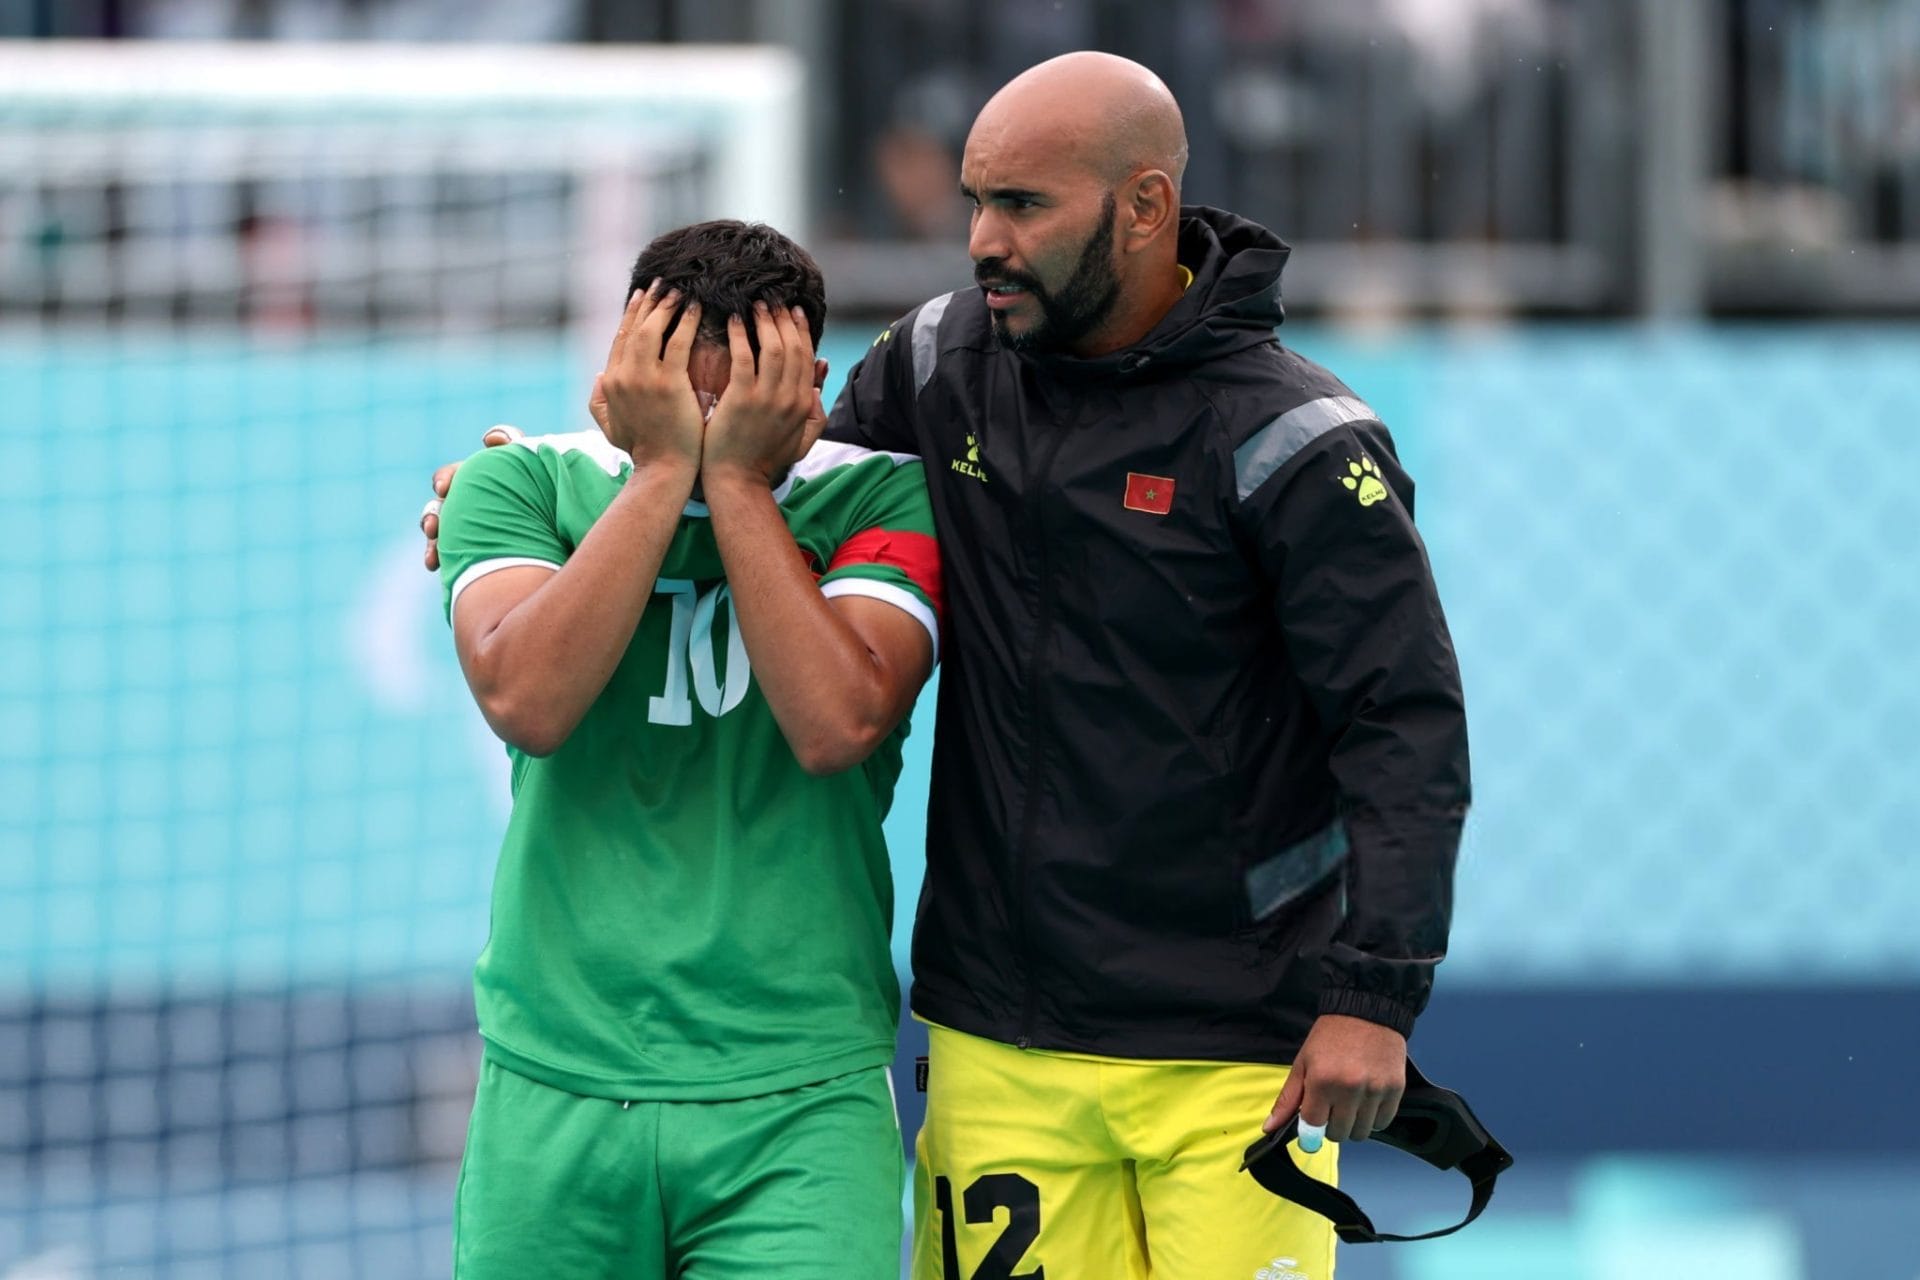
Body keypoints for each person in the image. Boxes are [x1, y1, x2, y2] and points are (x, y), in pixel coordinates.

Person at [425, 53, 1468, 1280]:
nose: (981, 240)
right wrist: (543, 489)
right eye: (974, 199)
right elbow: (767, 466)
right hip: (996, 1032)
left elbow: (1402, 725)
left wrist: (1375, 992)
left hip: (1232, 1043)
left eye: (1022, 206)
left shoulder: (1294, 438)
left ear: (1144, 206)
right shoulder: (936, 370)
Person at [430, 220, 941, 1279]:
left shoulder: (883, 496)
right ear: (620, 372)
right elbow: (528, 698)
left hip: (798, 1095)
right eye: (678, 395)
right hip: (555, 1075)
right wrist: (659, 473)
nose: (710, 430)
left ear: (811, 387)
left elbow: (836, 722)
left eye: (740, 401)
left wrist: (743, 487)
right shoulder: (515, 485)